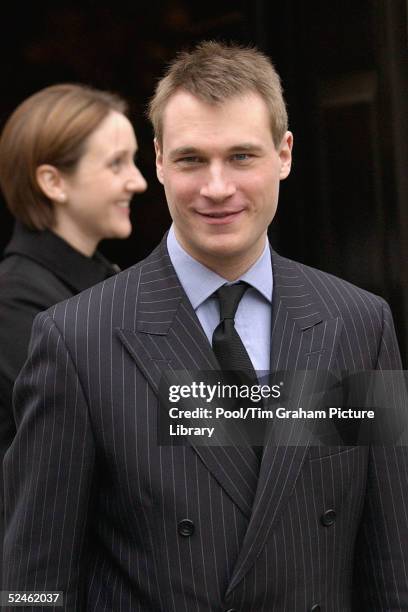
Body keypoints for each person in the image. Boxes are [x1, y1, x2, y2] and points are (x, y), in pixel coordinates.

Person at [3, 42, 407, 611]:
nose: (217, 188)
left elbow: (391, 564)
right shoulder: (76, 338)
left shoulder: (358, 323)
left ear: (285, 154)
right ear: (161, 160)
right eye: (193, 159)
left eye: (242, 156)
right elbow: (33, 584)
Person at [0, 83, 147, 587]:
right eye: (117, 163)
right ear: (53, 181)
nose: (139, 181)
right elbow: (134, 426)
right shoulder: (15, 304)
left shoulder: (105, 282)